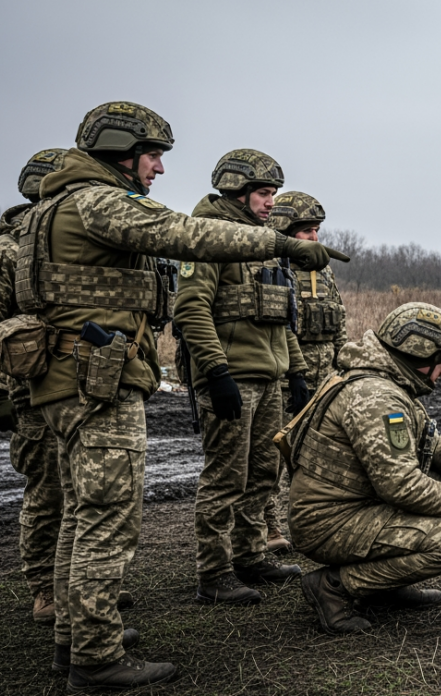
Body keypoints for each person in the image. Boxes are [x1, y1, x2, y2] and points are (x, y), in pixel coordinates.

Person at [19, 101, 342, 691]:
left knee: (81, 515)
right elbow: (183, 233)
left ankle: (76, 638)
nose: (159, 170)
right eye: (152, 156)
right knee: (106, 520)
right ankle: (96, 657)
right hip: (96, 381)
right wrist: (281, 246)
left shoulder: (56, 206)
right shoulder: (95, 200)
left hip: (74, 375)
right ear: (120, 149)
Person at [285, 302, 441, 634]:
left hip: (348, 509)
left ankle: (382, 586)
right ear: (418, 354)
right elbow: (401, 484)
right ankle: (334, 587)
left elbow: (425, 439)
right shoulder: (377, 398)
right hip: (327, 523)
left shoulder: (384, 378)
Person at [174, 150, 307, 606]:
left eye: (274, 193)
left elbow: (280, 316)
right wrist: (215, 372)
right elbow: (191, 310)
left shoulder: (262, 242)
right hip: (232, 377)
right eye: (264, 193)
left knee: (263, 473)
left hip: (269, 377)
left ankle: (251, 557)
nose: (272, 203)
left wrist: (296, 373)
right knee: (225, 477)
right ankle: (213, 573)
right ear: (237, 192)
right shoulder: (208, 239)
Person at [0, 149, 66, 624]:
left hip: (73, 388)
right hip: (27, 394)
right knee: (47, 492)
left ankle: (76, 586)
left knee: (84, 491)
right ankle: (46, 591)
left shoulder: (66, 244)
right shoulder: (3, 252)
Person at [264, 191, 347, 552]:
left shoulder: (323, 270)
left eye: (316, 230)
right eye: (306, 231)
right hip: (285, 379)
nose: (314, 238)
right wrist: (294, 373)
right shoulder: (273, 269)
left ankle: (316, 523)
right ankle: (267, 526)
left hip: (324, 378)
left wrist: (345, 366)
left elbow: (339, 322)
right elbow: (277, 327)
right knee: (271, 460)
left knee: (320, 457)